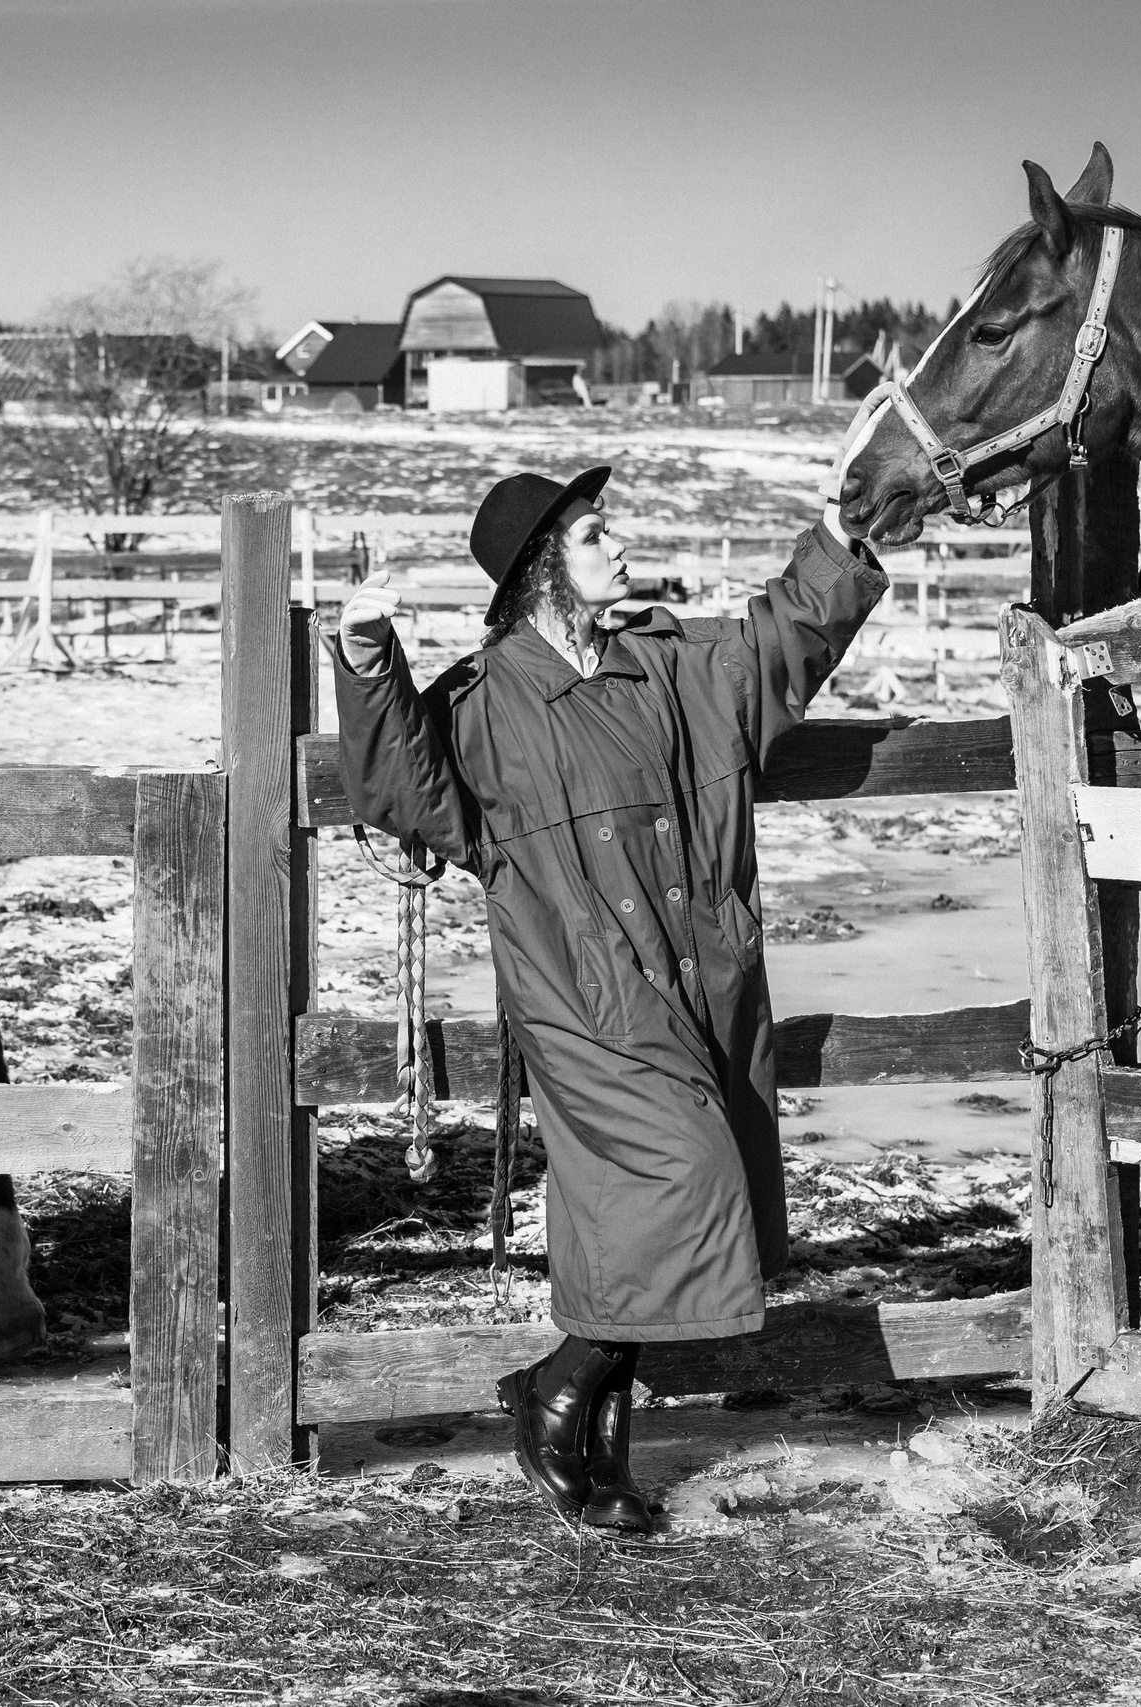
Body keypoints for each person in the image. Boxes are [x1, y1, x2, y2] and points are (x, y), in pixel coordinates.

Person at [333, 463, 885, 1530]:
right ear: (542, 566)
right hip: (581, 997)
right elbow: (406, 791)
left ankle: (598, 1460)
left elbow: (780, 650)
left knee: (620, 1220)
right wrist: (367, 658)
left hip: (698, 976)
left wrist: (837, 537)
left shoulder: (666, 667)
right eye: (593, 534)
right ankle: (556, 1386)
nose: (616, 546)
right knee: (686, 1173)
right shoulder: (485, 704)